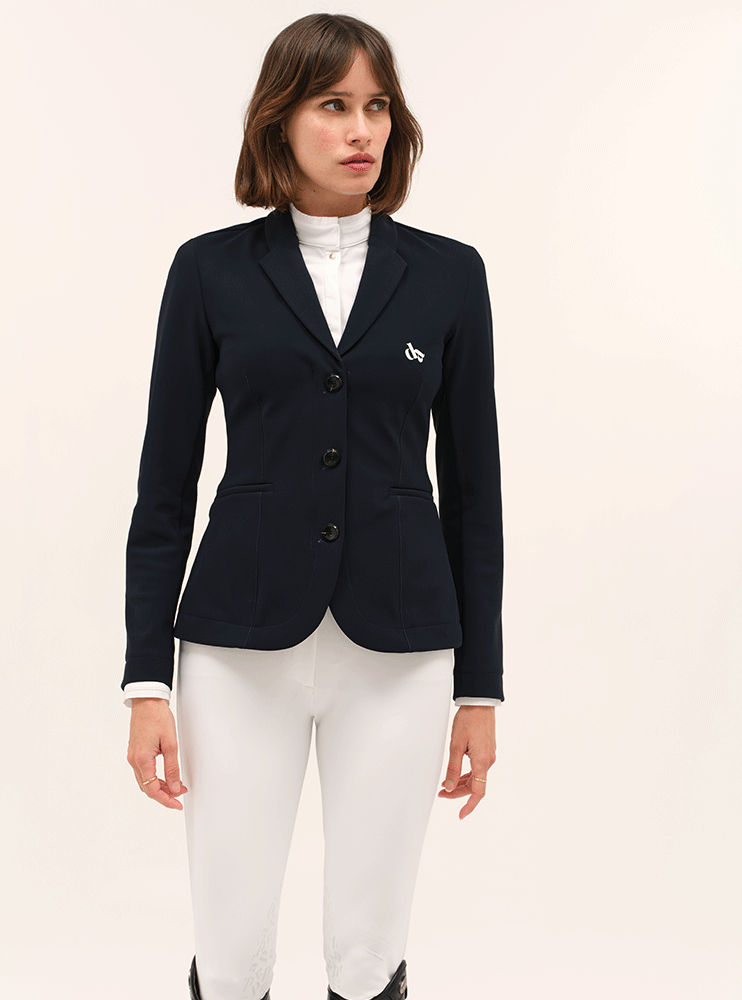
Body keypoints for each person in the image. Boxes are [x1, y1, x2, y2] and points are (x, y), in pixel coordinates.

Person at [123, 12, 504, 1000]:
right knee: (232, 950)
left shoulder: (450, 275)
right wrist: (145, 682)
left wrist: (480, 689)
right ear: (278, 120)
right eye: (333, 105)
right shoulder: (207, 271)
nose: (361, 130)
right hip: (236, 648)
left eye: (377, 106)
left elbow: (474, 495)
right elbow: (163, 487)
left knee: (368, 952)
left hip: (400, 652)